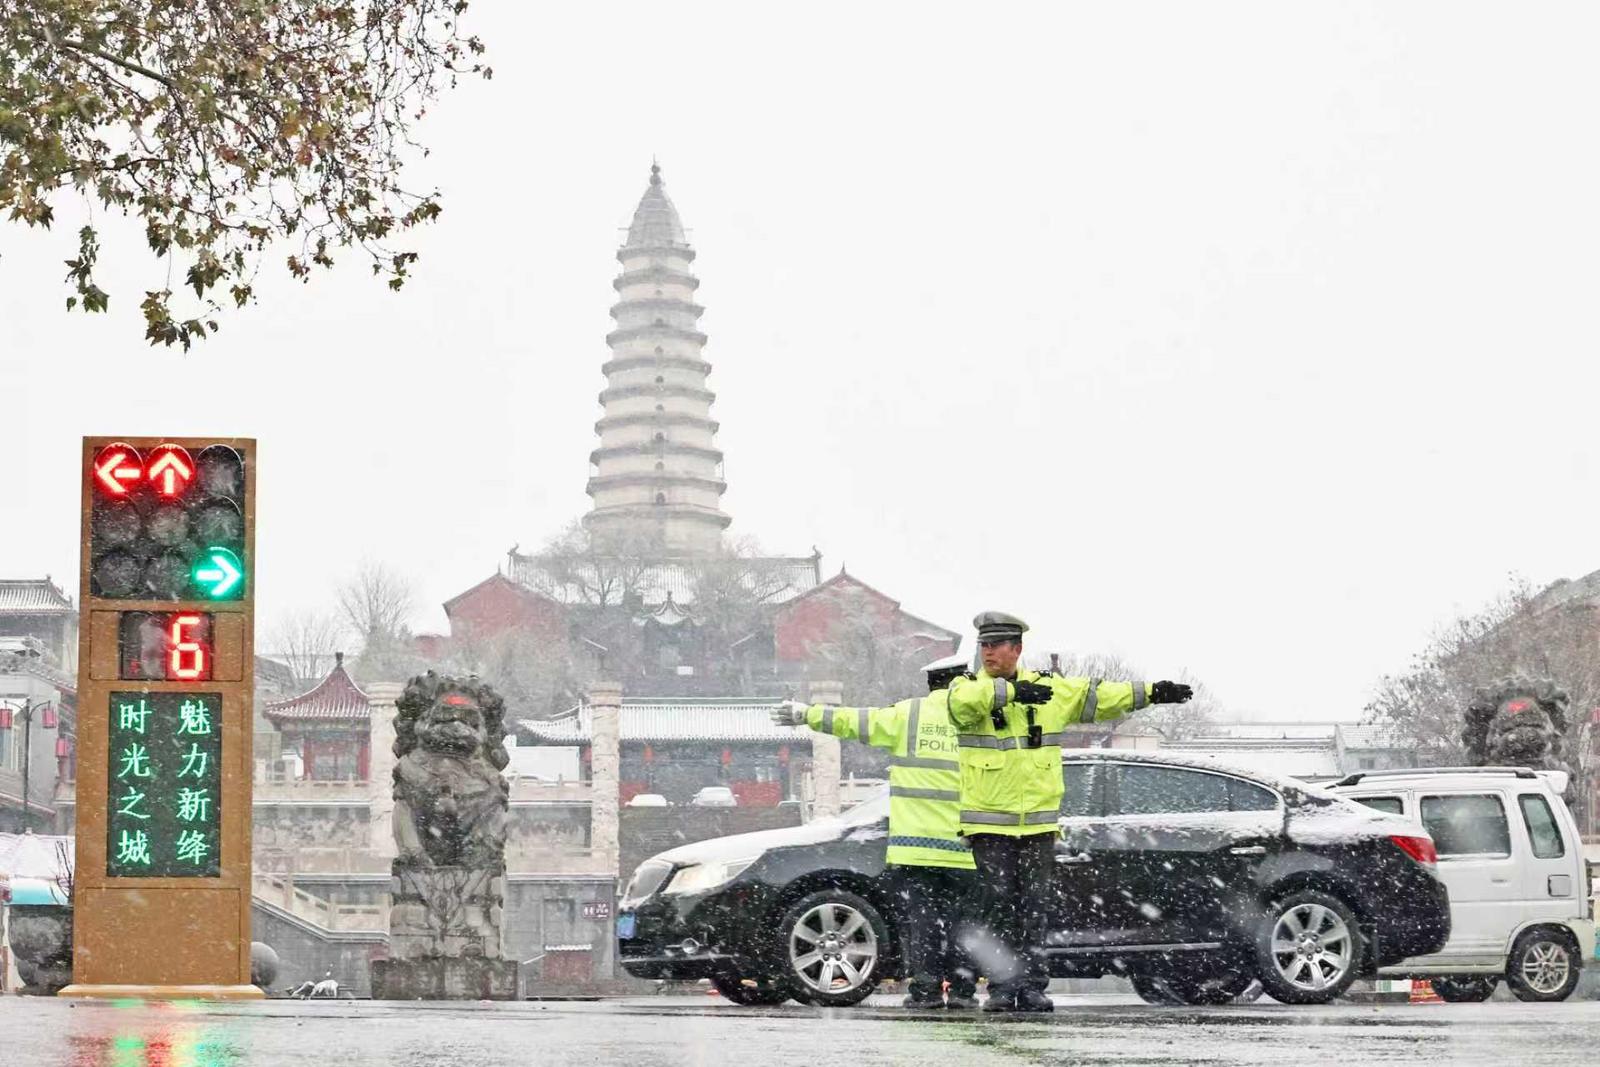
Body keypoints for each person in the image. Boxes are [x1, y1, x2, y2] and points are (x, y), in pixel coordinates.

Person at [946, 611, 1193, 1012]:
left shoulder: (1049, 690)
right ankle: (1003, 987)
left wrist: (1153, 692)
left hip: (1039, 825)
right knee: (999, 909)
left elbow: (1099, 696)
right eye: (984, 646)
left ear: (1017, 649)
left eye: (996, 645)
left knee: (1034, 910)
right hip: (990, 825)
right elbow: (960, 707)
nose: (988, 652)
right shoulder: (967, 687)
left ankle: (1032, 986)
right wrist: (1011, 694)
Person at [772, 654, 979, 1009]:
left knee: (922, 923)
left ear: (930, 683)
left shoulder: (907, 715)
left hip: (916, 848)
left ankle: (926, 991)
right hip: (966, 846)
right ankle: (962, 991)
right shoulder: (980, 719)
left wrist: (806, 714)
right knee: (963, 923)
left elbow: (852, 720)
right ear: (965, 681)